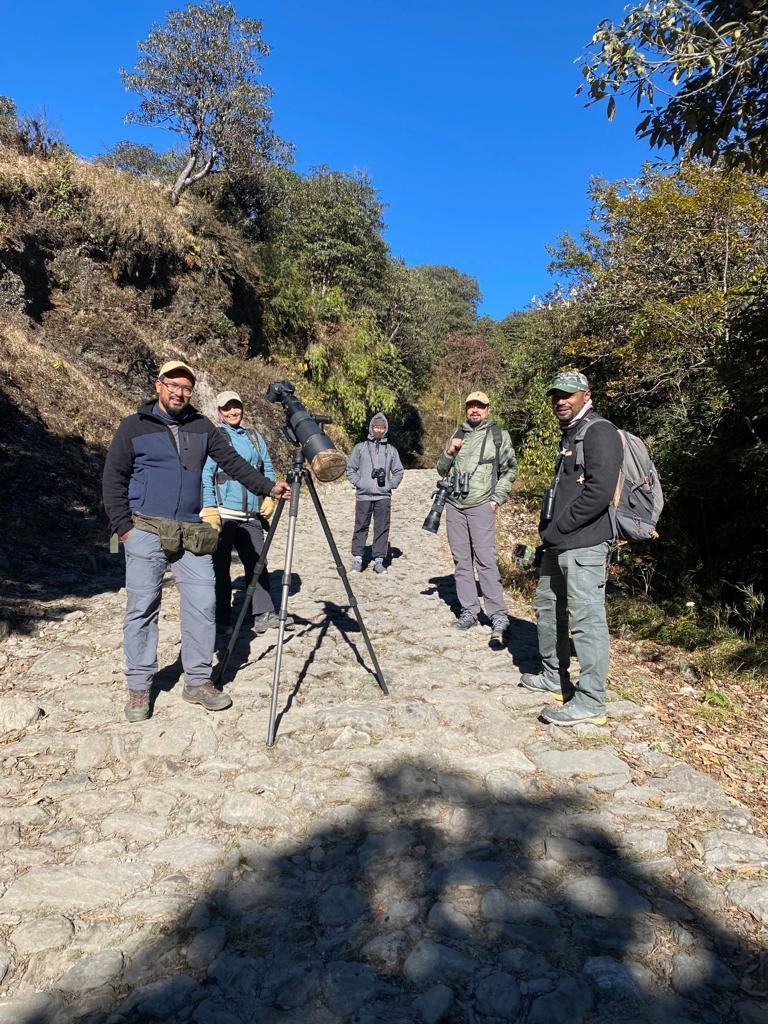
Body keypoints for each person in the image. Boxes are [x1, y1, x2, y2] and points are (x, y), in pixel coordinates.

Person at [102, 361, 291, 723]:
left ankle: (199, 680)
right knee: (142, 606)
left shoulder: (202, 427)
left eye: (186, 387)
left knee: (204, 602)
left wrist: (267, 487)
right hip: (145, 529)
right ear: (158, 385)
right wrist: (124, 528)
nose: (179, 392)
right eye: (173, 384)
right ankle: (140, 686)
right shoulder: (133, 426)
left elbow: (232, 463)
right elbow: (114, 478)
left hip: (191, 529)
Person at [520, 370, 623, 727]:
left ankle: (592, 700)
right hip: (557, 543)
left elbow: (598, 492)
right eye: (556, 396)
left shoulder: (600, 432)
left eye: (568, 394)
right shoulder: (571, 435)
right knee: (547, 608)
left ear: (586, 395)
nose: (560, 401)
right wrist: (548, 532)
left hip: (586, 543)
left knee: (586, 620)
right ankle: (553, 675)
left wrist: (558, 527)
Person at [436, 391, 517, 643]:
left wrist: (496, 500)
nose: (475, 410)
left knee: (485, 561)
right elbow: (441, 468)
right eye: (471, 406)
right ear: (466, 409)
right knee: (461, 561)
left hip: (482, 505)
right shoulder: (457, 434)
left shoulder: (498, 435)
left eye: (480, 407)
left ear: (488, 410)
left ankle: (498, 615)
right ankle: (469, 610)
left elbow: (509, 470)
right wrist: (450, 451)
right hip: (455, 505)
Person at [201, 390, 282, 636]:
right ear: (219, 412)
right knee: (220, 567)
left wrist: (268, 496)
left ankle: (263, 613)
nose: (233, 412)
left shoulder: (255, 437)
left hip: (251, 514)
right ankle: (221, 618)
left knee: (257, 562)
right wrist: (210, 508)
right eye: (227, 409)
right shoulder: (217, 437)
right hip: (224, 513)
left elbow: (267, 466)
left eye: (236, 407)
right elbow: (207, 474)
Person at [346, 412, 404, 573]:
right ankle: (357, 558)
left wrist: (390, 485)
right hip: (363, 495)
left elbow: (398, 471)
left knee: (382, 527)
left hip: (383, 495)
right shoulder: (360, 448)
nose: (379, 430)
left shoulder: (391, 451)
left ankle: (379, 560)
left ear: (386, 429)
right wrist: (359, 483)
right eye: (376, 427)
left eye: (382, 427)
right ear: (371, 428)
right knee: (360, 526)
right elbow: (350, 469)